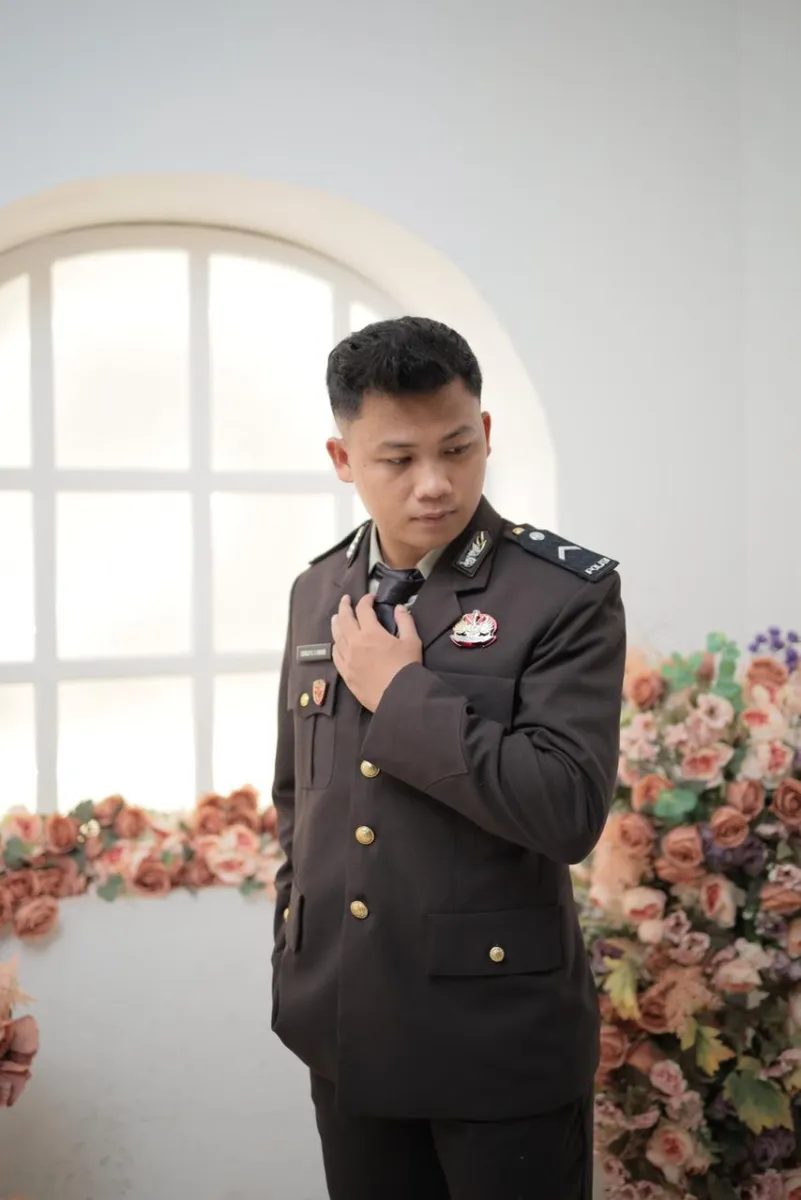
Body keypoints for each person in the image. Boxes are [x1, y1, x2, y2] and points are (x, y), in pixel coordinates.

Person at [270, 316, 626, 1200]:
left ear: (486, 432)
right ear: (342, 458)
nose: (434, 483)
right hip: (342, 1021)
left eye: (457, 449)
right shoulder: (318, 589)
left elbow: (566, 809)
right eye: (397, 459)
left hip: (496, 1036)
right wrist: (294, 944)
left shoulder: (561, 595)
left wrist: (401, 693)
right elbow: (298, 797)